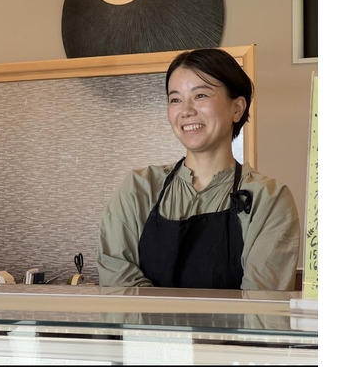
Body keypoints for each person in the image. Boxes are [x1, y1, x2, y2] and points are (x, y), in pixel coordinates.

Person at [96, 48, 300, 290]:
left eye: (200, 95)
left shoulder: (268, 199)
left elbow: (259, 306)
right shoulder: (139, 188)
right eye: (175, 99)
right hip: (145, 330)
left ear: (237, 108)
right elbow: (117, 282)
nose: (186, 110)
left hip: (231, 330)